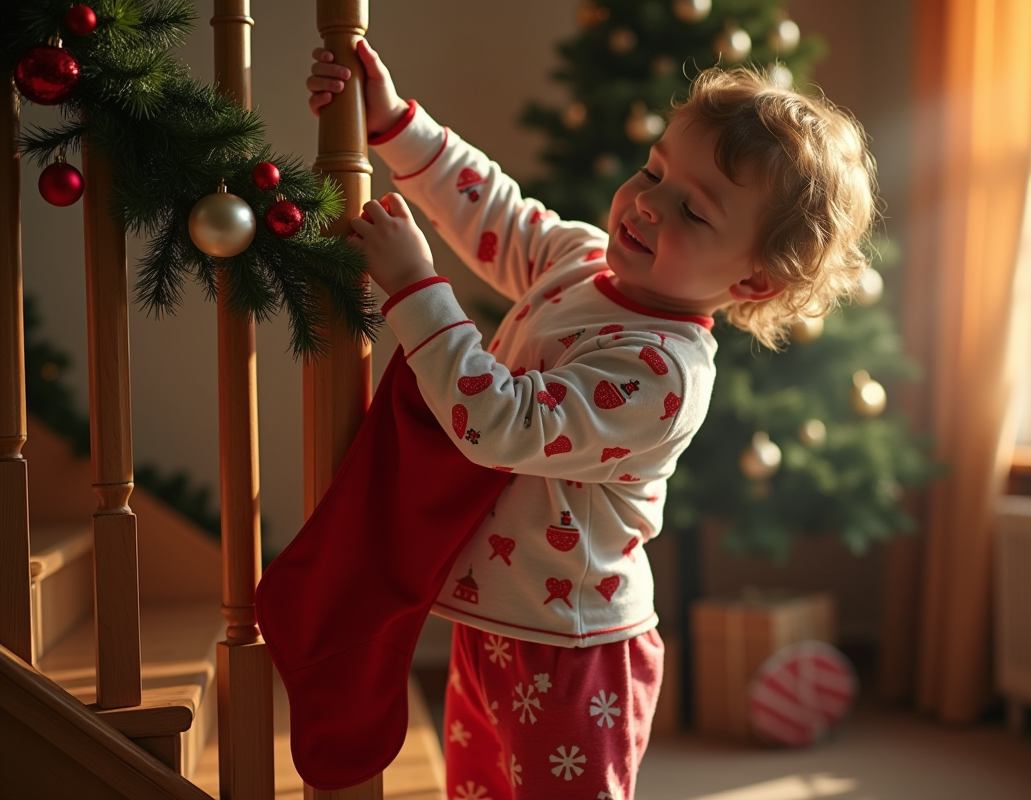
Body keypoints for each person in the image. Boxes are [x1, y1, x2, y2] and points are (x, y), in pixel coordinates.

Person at [306, 38, 876, 800]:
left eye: (692, 210)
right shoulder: (581, 260)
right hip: (494, 623)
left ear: (753, 280)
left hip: (575, 648)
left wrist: (416, 287)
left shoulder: (661, 373)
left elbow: (502, 425)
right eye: (653, 170)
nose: (646, 202)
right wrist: (394, 125)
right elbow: (496, 215)